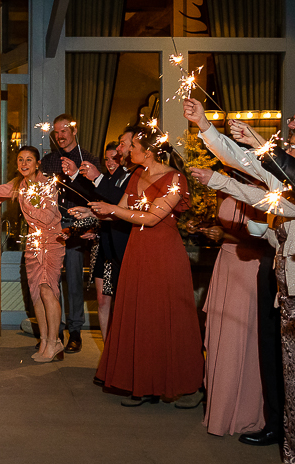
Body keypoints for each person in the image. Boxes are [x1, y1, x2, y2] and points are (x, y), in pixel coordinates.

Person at [186, 100, 295, 464]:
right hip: (290, 290)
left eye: (294, 148)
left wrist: (221, 180)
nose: (287, 152)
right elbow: (260, 178)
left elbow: (274, 197)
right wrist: (210, 130)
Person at [88, 125, 200, 406]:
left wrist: (111, 209)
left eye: (133, 147)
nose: (127, 151)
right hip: (137, 251)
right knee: (141, 317)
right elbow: (124, 213)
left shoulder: (176, 178)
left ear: (148, 152)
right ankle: (143, 383)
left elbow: (152, 218)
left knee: (165, 317)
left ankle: (184, 385)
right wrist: (94, 212)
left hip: (164, 253)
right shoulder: (136, 174)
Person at [0, 146, 68, 363]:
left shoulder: (47, 185)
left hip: (51, 242)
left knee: (47, 290)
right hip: (33, 243)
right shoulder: (19, 184)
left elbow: (49, 218)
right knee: (36, 294)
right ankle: (43, 340)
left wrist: (29, 205)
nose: (24, 163)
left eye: (29, 160)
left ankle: (55, 341)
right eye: (21, 159)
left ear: (37, 163)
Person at [197, 194, 267, 436]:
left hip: (249, 264)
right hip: (225, 261)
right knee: (220, 339)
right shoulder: (224, 188)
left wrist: (224, 235)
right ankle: (219, 410)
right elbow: (224, 223)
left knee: (241, 340)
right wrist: (208, 229)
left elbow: (266, 234)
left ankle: (245, 412)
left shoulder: (263, 189)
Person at [39, 114, 102, 353]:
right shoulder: (48, 161)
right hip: (52, 226)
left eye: (64, 131)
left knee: (74, 279)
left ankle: (75, 331)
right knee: (51, 280)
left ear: (74, 131)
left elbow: (96, 194)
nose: (60, 136)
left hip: (77, 226)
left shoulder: (89, 160)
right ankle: (53, 332)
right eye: (56, 132)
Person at [91, 135, 133, 340]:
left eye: (114, 158)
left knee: (116, 300)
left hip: (120, 246)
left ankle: (116, 349)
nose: (110, 163)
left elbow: (118, 208)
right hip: (102, 244)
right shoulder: (107, 180)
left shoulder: (129, 177)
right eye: (107, 159)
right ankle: (108, 349)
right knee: (101, 300)